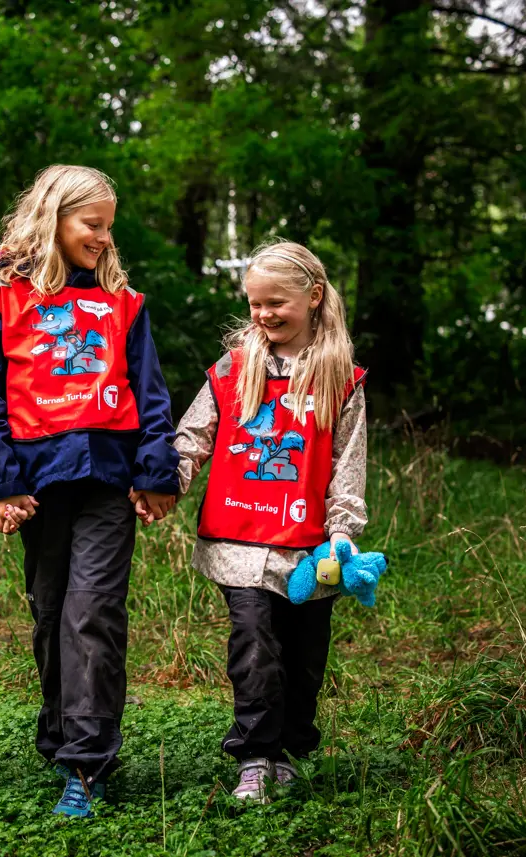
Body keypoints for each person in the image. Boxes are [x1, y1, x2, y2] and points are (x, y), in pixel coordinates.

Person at [0, 165, 179, 818]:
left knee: (92, 613)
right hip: (38, 486)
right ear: (54, 218)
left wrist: (155, 471)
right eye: (94, 225)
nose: (105, 238)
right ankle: (62, 730)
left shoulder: (124, 305)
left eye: (109, 227)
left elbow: (149, 391)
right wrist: (2, 483)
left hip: (107, 483)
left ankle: (87, 762)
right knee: (52, 610)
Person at [173, 240, 368, 804]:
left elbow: (347, 465)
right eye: (254, 304)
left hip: (311, 549)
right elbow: (193, 437)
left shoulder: (343, 380)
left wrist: (342, 533)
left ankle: (290, 744)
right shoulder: (232, 370)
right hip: (241, 542)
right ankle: (255, 756)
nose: (263, 315)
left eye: (276, 302)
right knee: (255, 644)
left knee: (304, 657)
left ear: (312, 298)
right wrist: (167, 481)